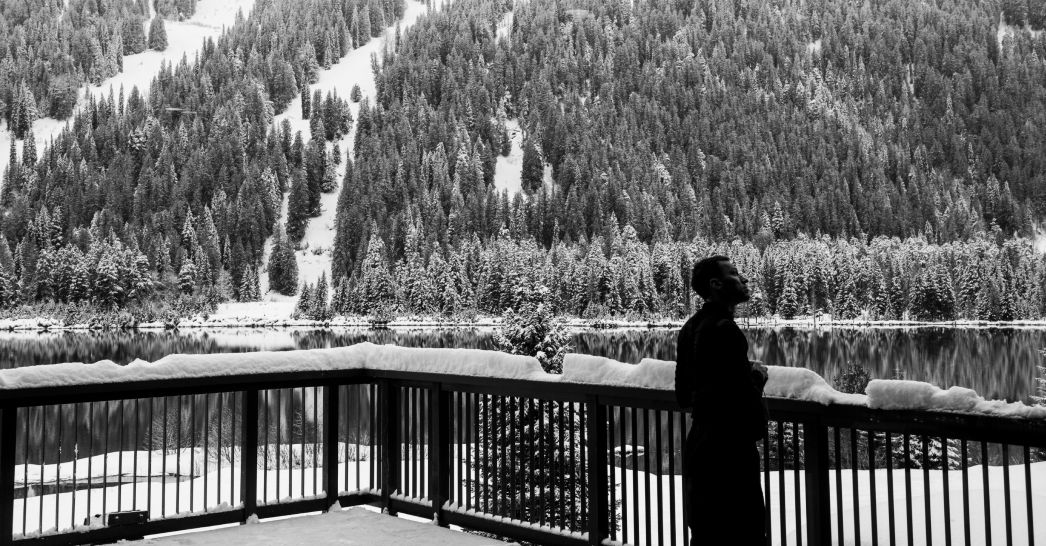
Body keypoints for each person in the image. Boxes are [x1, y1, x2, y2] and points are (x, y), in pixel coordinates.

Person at [675, 255, 769, 545]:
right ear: (716, 284)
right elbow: (743, 406)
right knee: (744, 534)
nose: (744, 279)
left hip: (700, 449)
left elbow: (684, 396)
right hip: (729, 458)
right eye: (735, 273)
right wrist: (756, 378)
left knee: (705, 535)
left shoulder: (691, 327)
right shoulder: (725, 331)